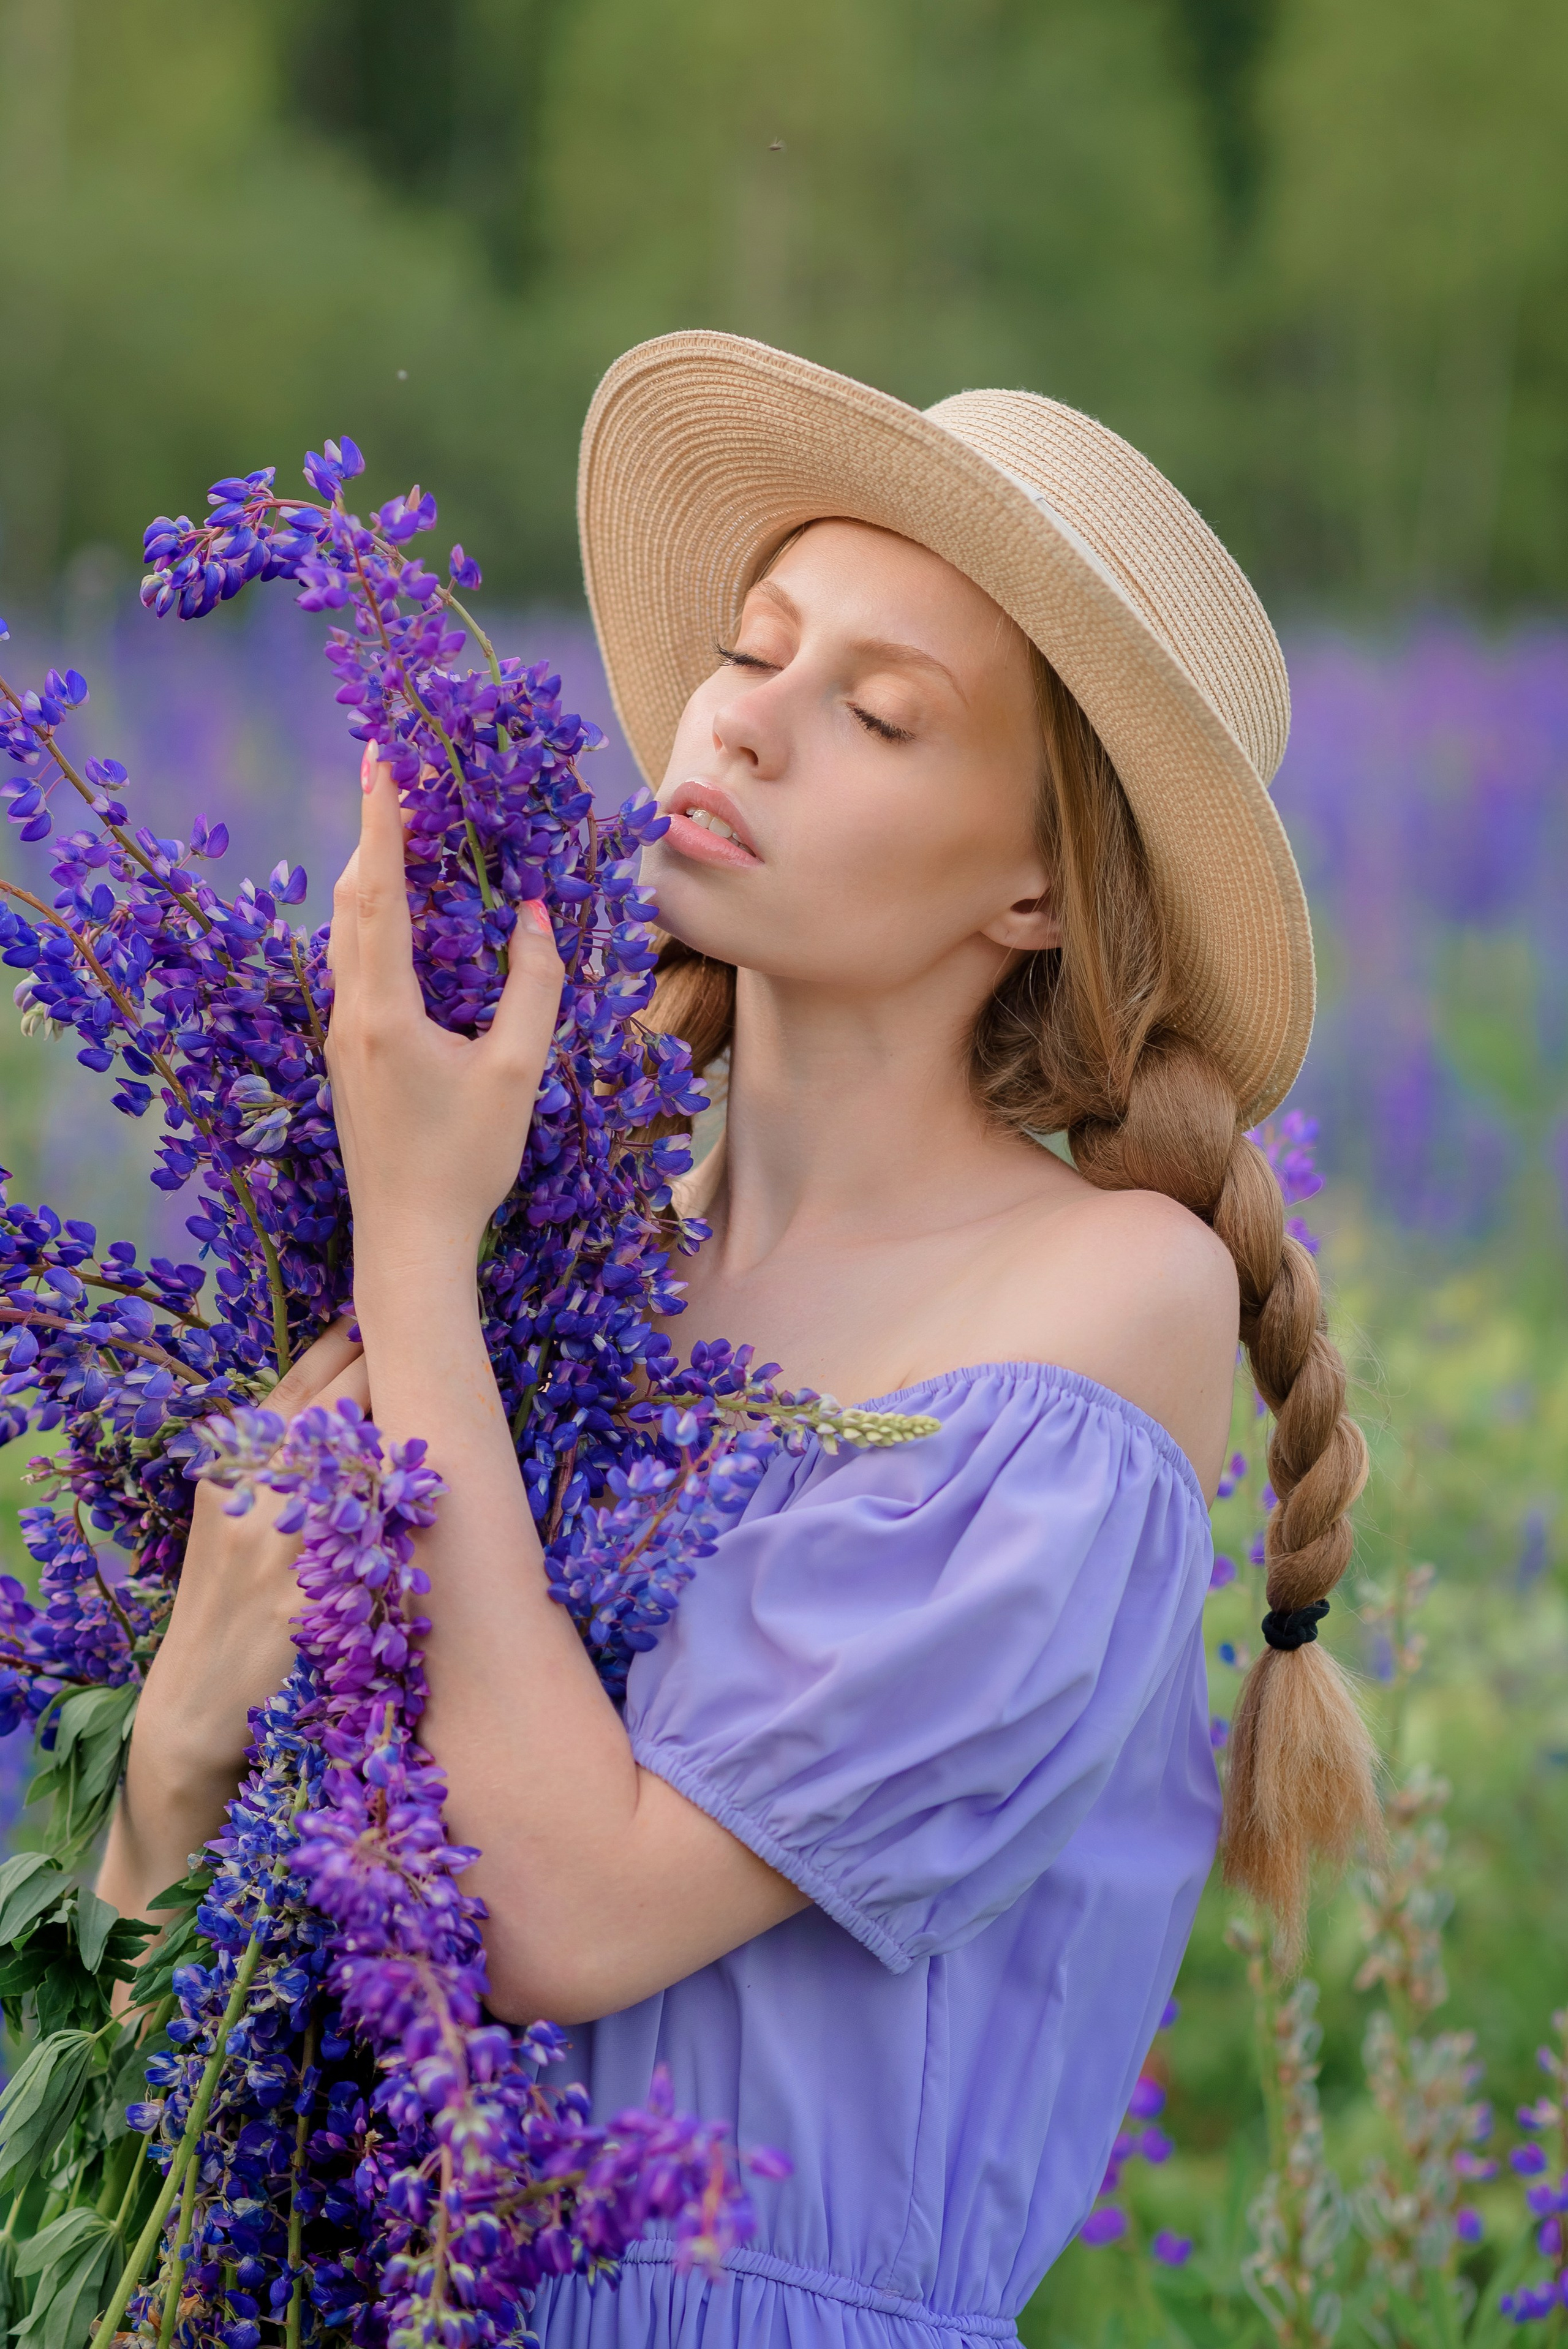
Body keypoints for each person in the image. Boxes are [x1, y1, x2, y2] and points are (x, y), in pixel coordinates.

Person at [100, 333, 1379, 2349]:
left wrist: (418, 1248)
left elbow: (566, 1912)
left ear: (1042, 881)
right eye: (752, 650)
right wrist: (179, 1734)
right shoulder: (570, 1273)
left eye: (878, 710)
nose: (753, 725)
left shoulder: (1105, 1300)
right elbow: (182, 2050)